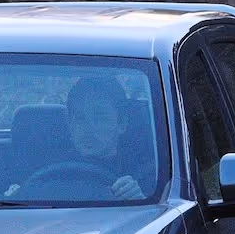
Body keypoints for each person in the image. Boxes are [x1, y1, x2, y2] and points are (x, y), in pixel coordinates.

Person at [10, 77, 146, 200]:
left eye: (99, 118)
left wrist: (138, 199)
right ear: (70, 125)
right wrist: (16, 195)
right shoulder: (47, 164)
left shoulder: (145, 170)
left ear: (121, 124)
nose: (88, 128)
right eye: (80, 119)